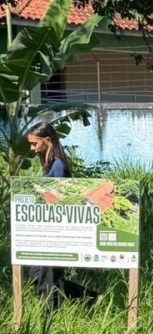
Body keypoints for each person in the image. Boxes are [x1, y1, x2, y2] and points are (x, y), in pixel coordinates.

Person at [26, 122, 96, 309]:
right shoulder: (49, 165)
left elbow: (56, 200)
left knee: (46, 278)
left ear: (47, 140)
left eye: (35, 144)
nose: (32, 149)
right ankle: (88, 298)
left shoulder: (58, 167)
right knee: (37, 276)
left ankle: (48, 317)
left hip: (54, 232)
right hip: (45, 231)